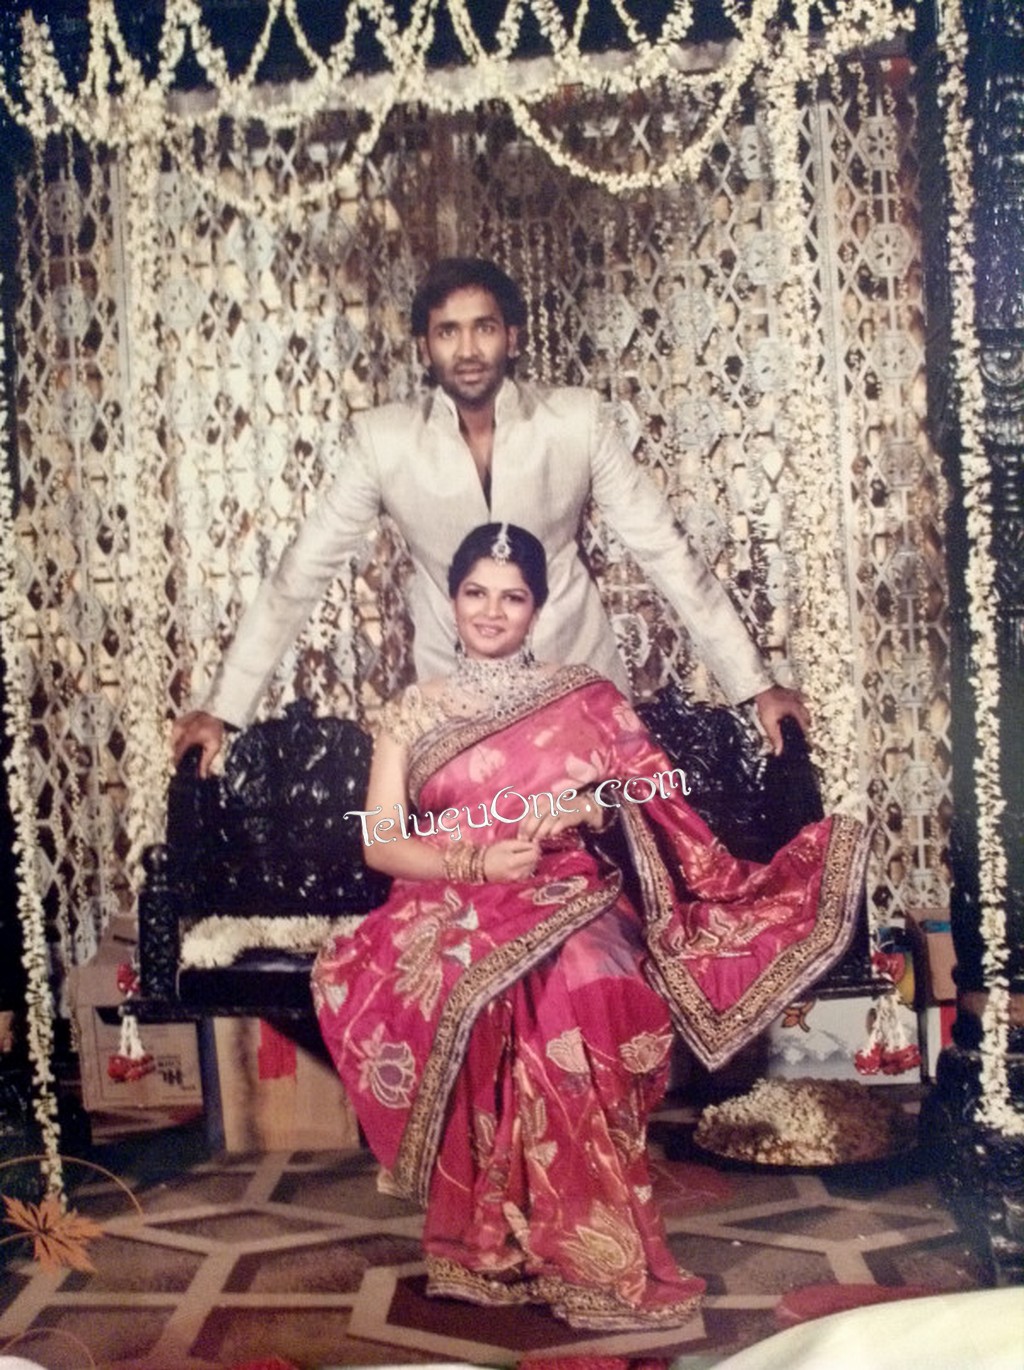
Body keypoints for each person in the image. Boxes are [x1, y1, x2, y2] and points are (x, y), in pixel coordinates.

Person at [312, 522, 867, 1332]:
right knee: (481, 986)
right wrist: (475, 863)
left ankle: (591, 1251)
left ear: (537, 609)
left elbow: (652, 796)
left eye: (512, 597)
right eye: (476, 593)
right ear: (451, 599)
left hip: (569, 887)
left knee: (586, 980)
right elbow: (379, 840)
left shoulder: (587, 696)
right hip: (449, 897)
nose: (492, 612)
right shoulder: (412, 712)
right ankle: (488, 1241)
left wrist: (588, 804)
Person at [173, 257, 809, 777]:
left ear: (514, 337)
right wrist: (223, 710)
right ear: (425, 347)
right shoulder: (384, 443)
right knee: (478, 877)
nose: (468, 349)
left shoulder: (576, 422)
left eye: (483, 328)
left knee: (595, 870)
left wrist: (754, 687)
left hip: (577, 688)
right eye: (448, 332)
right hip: (454, 708)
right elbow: (300, 572)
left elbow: (667, 551)